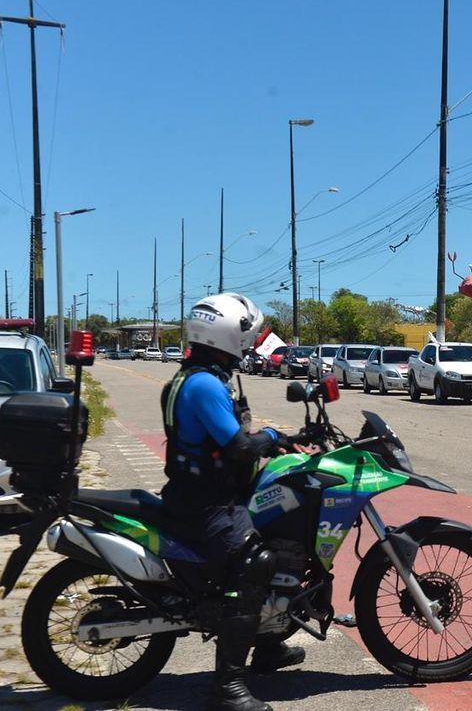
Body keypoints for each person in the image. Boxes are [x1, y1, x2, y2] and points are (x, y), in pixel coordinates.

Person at [160, 293, 304, 711]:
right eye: (247, 334)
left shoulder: (200, 376)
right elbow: (240, 447)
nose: (251, 341)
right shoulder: (204, 384)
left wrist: (286, 439)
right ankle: (226, 688)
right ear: (225, 335)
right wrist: (274, 438)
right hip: (206, 503)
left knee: (279, 538)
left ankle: (268, 648)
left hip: (204, 493)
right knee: (255, 565)